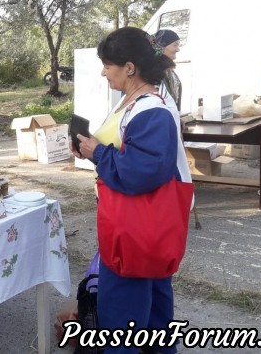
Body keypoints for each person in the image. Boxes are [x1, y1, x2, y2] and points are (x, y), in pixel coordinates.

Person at [72, 27, 192, 354]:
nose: (102, 71)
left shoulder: (150, 109)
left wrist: (99, 154)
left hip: (135, 235)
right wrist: (92, 149)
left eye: (108, 64)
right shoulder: (137, 100)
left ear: (129, 67)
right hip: (143, 230)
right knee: (153, 316)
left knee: (121, 321)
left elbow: (142, 171)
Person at [154, 29, 182, 111]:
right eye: (175, 45)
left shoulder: (168, 70)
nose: (178, 49)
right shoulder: (154, 72)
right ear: (162, 46)